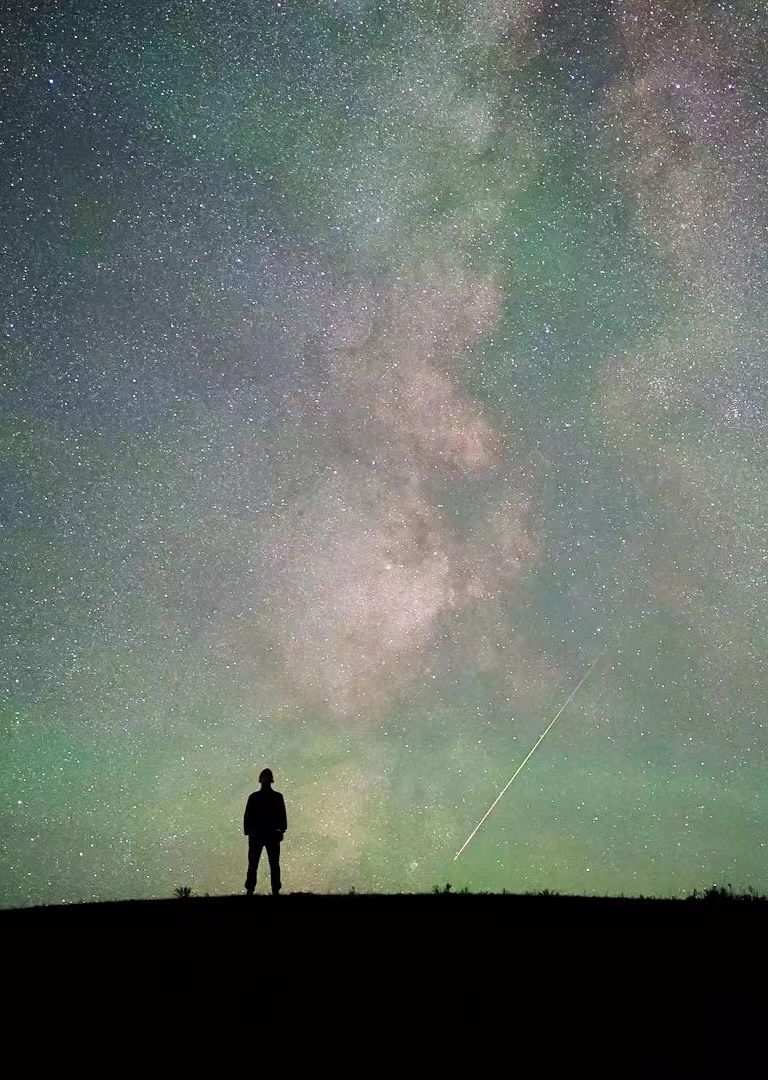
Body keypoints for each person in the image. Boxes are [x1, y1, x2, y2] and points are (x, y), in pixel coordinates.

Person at [244, 768, 287, 896]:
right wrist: (249, 831)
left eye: (267, 777)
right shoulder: (254, 797)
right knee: (253, 864)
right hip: (257, 835)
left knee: (273, 864)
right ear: (261, 780)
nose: (266, 780)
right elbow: (247, 816)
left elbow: (282, 816)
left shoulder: (277, 797)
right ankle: (250, 889)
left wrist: (281, 830)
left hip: (271, 835)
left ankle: (275, 890)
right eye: (264, 777)